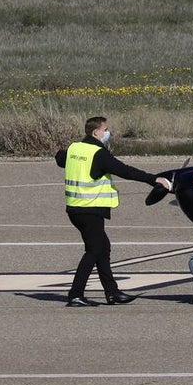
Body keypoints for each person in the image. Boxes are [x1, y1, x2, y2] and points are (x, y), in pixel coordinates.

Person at [55, 116, 172, 307]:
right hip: (90, 209)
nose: (108, 133)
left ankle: (112, 292)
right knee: (93, 250)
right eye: (105, 129)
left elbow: (59, 158)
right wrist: (153, 179)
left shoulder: (75, 148)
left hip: (75, 209)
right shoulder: (98, 154)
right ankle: (75, 294)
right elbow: (125, 171)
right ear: (96, 133)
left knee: (103, 248)